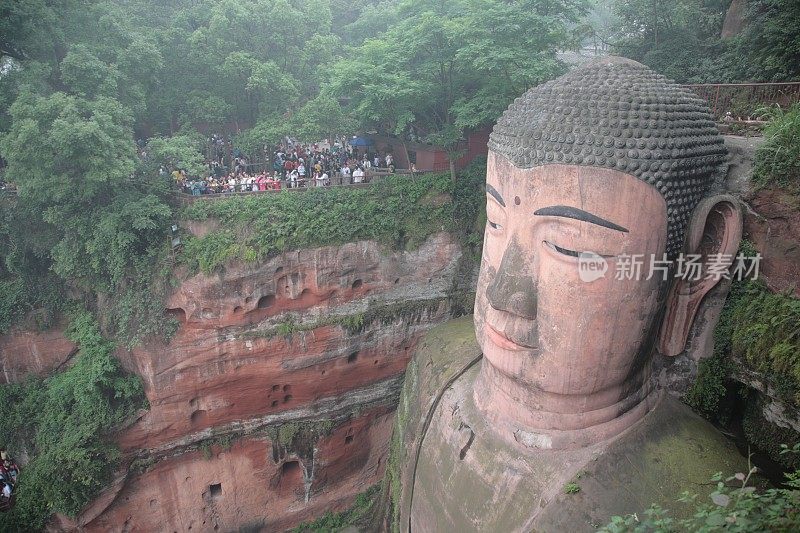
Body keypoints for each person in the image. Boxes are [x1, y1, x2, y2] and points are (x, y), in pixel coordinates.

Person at [394, 57, 745, 532]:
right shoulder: (437, 366)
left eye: (568, 246)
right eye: (495, 223)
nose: (503, 293)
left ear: (696, 263)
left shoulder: (713, 504)